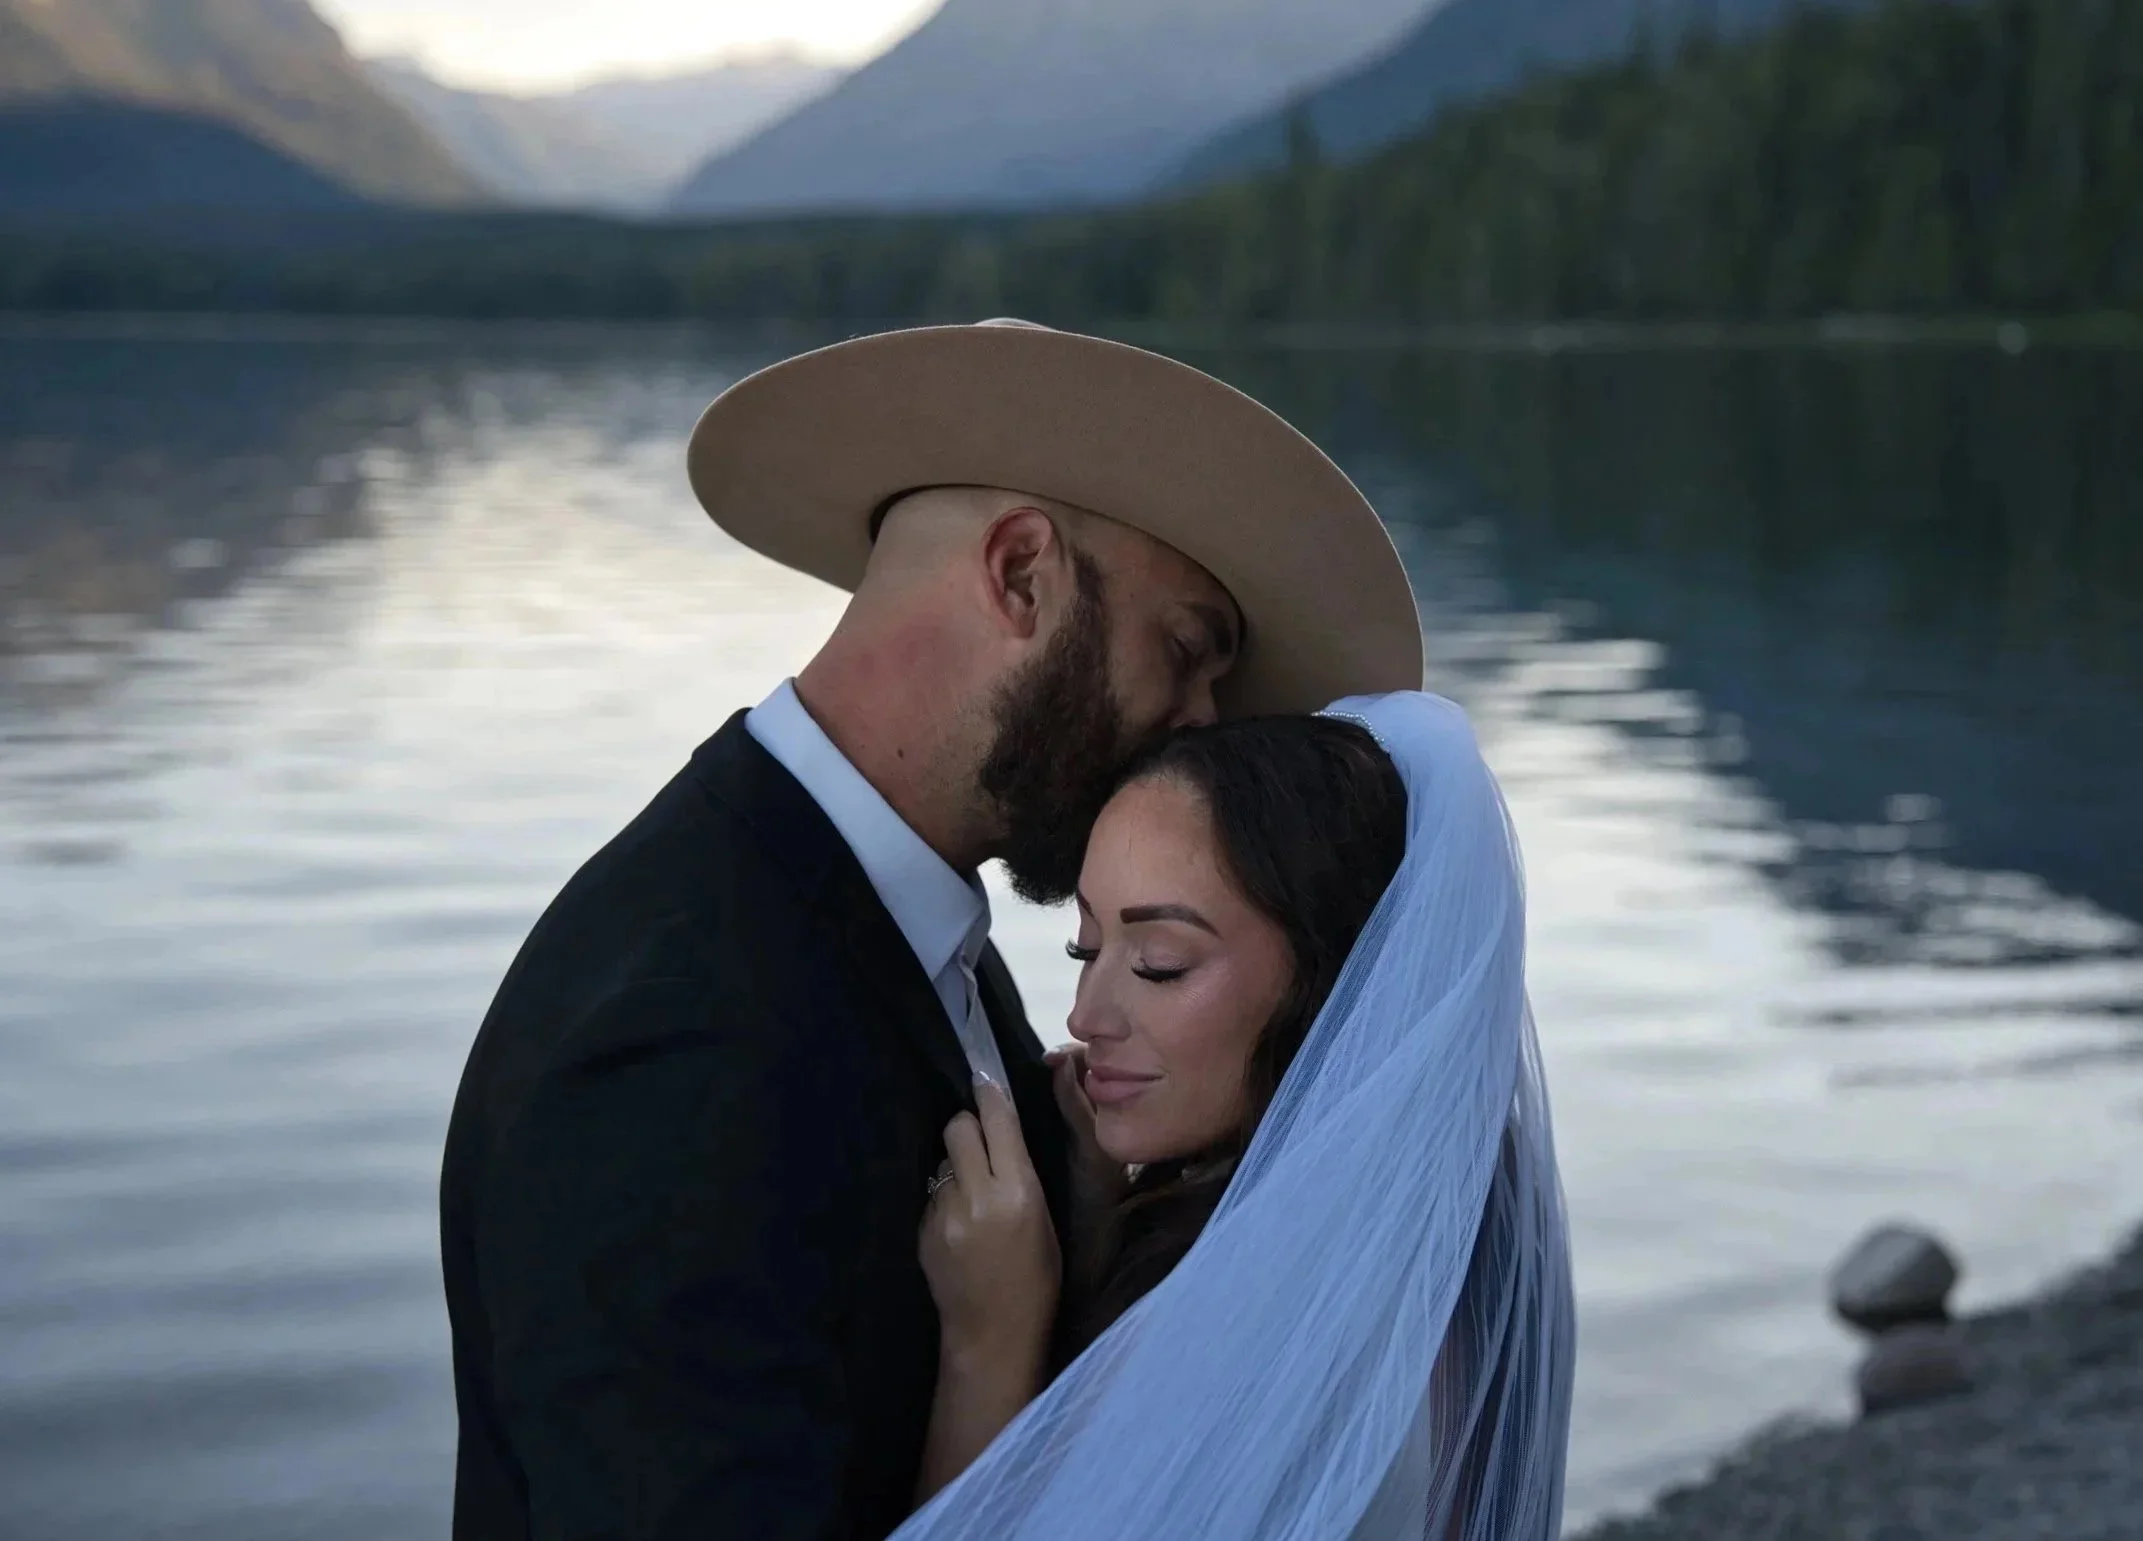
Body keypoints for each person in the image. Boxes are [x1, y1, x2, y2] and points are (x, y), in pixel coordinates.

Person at [438, 319, 1424, 1541]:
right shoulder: (675, 1032)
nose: (1199, 723)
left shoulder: (906, 932)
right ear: (1019, 574)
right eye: (1182, 651)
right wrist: (988, 1355)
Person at [900, 694, 1576, 1541]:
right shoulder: (1435, 1231)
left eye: (1159, 963)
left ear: (1333, 981)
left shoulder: (1262, 1341)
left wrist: (987, 1344)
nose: (1084, 1014)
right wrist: (1098, 1221)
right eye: (1086, 948)